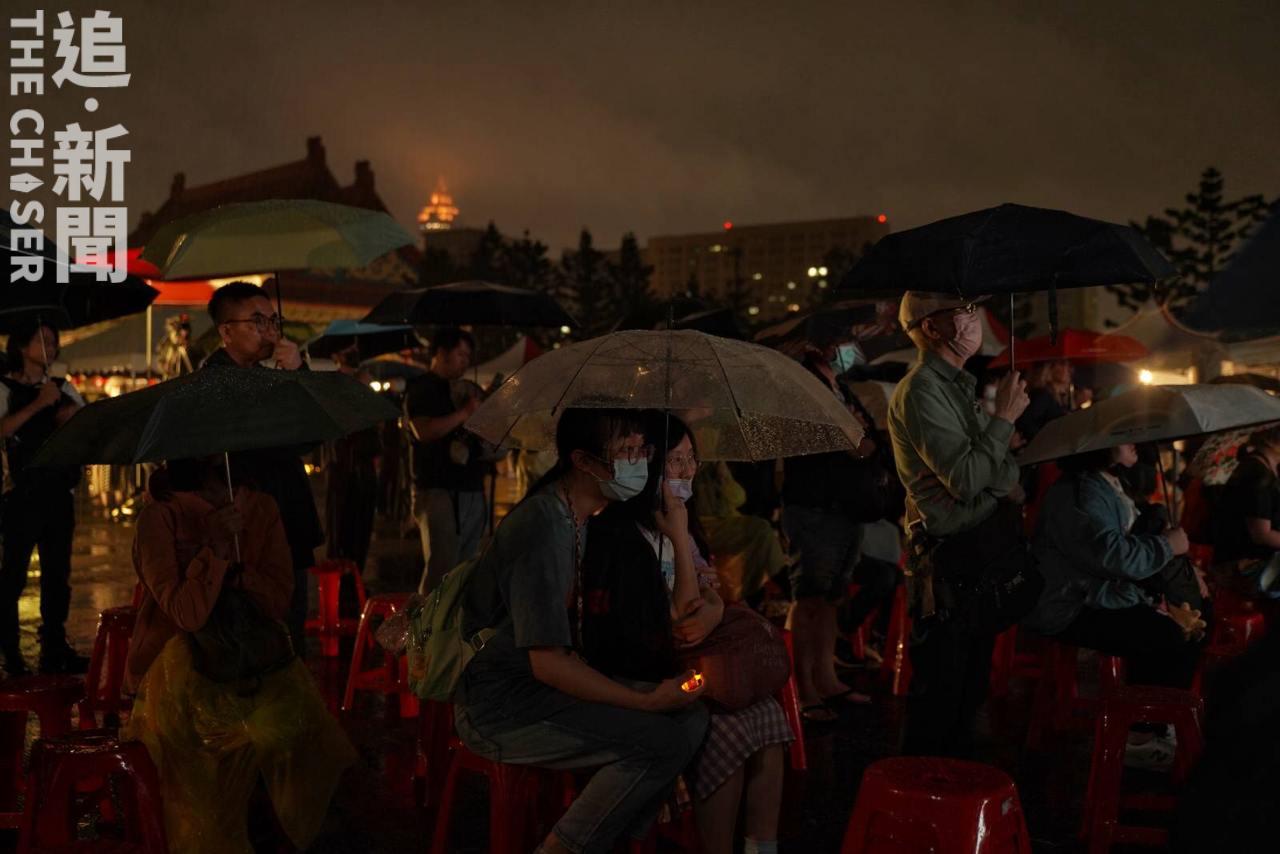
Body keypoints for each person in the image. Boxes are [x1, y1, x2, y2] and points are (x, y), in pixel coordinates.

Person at [455, 407, 708, 854]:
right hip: (505, 704)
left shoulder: (585, 518)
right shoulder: (542, 527)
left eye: (642, 450)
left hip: (546, 685)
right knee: (662, 741)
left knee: (691, 716)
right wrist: (643, 701)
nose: (639, 463)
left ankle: (607, 838)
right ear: (583, 461)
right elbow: (548, 663)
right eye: (626, 452)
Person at [123, 458, 355, 853]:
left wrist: (234, 572)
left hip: (250, 662)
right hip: (171, 674)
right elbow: (186, 614)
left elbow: (278, 600)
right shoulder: (159, 517)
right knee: (210, 759)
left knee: (302, 737)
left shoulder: (260, 507)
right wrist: (213, 548)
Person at [582, 413, 790, 854]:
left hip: (689, 660)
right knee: (728, 731)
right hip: (649, 672)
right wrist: (677, 536)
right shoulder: (622, 534)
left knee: (769, 718)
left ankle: (762, 848)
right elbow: (678, 616)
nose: (689, 470)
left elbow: (705, 597)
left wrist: (713, 611)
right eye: (676, 460)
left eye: (692, 459)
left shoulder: (683, 526)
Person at [886, 292, 1029, 757]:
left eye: (973, 310)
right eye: (963, 313)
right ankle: (925, 789)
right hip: (948, 561)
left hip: (978, 553)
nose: (974, 320)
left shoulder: (958, 386)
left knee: (971, 686)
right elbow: (968, 479)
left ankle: (956, 779)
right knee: (941, 692)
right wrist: (1003, 419)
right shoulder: (921, 391)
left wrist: (996, 460)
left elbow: (1005, 474)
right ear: (931, 327)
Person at [1023, 444, 1205, 764]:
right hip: (1071, 605)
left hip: (1101, 595)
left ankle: (1159, 722)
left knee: (1191, 626)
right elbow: (1111, 556)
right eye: (1124, 437)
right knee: (1164, 635)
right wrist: (1167, 546)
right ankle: (1139, 735)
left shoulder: (1111, 482)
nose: (1134, 443)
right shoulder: (1080, 493)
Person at [202, 281, 322, 653]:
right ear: (226, 332)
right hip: (246, 531)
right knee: (256, 639)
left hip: (287, 519)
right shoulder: (212, 383)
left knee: (290, 632)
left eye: (273, 321)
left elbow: (310, 437)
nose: (269, 330)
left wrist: (298, 374)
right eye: (257, 322)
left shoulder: (269, 376)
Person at [779, 340, 880, 721]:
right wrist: (857, 439)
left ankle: (826, 677)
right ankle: (803, 689)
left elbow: (868, 440)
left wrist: (861, 440)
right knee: (809, 598)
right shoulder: (804, 386)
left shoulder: (842, 387)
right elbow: (850, 443)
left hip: (846, 506)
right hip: (814, 507)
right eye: (844, 340)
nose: (851, 347)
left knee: (831, 598)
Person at [0, 319, 88, 675]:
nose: (50, 347)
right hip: (19, 495)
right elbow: (2, 429)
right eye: (42, 340)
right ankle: (9, 651)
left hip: (58, 493)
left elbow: (86, 428)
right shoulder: (5, 387)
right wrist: (38, 404)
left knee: (57, 575)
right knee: (12, 575)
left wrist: (71, 417)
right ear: (22, 346)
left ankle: (54, 646)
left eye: (53, 341)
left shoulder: (63, 387)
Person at [406, 327, 487, 592]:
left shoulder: (467, 390)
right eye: (461, 354)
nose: (465, 361)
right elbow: (424, 431)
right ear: (441, 353)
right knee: (441, 571)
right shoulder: (422, 388)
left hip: (471, 489)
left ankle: (454, 619)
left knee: (465, 572)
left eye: (468, 356)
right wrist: (465, 413)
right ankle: (427, 618)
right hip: (438, 490)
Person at [324, 341, 381, 614]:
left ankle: (355, 584)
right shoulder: (332, 388)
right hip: (342, 473)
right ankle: (341, 591)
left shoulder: (363, 385)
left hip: (363, 471)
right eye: (346, 352)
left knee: (361, 532)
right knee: (341, 532)